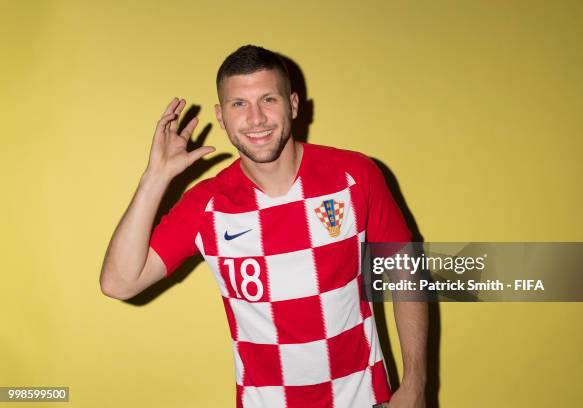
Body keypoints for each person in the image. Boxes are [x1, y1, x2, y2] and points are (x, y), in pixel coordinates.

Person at [100, 45, 427, 408]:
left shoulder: (356, 175)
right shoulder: (205, 205)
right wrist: (154, 179)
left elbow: (404, 270)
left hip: (363, 399)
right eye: (239, 104)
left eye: (268, 99)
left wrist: (414, 382)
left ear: (294, 104)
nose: (256, 118)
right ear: (221, 117)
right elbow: (119, 283)